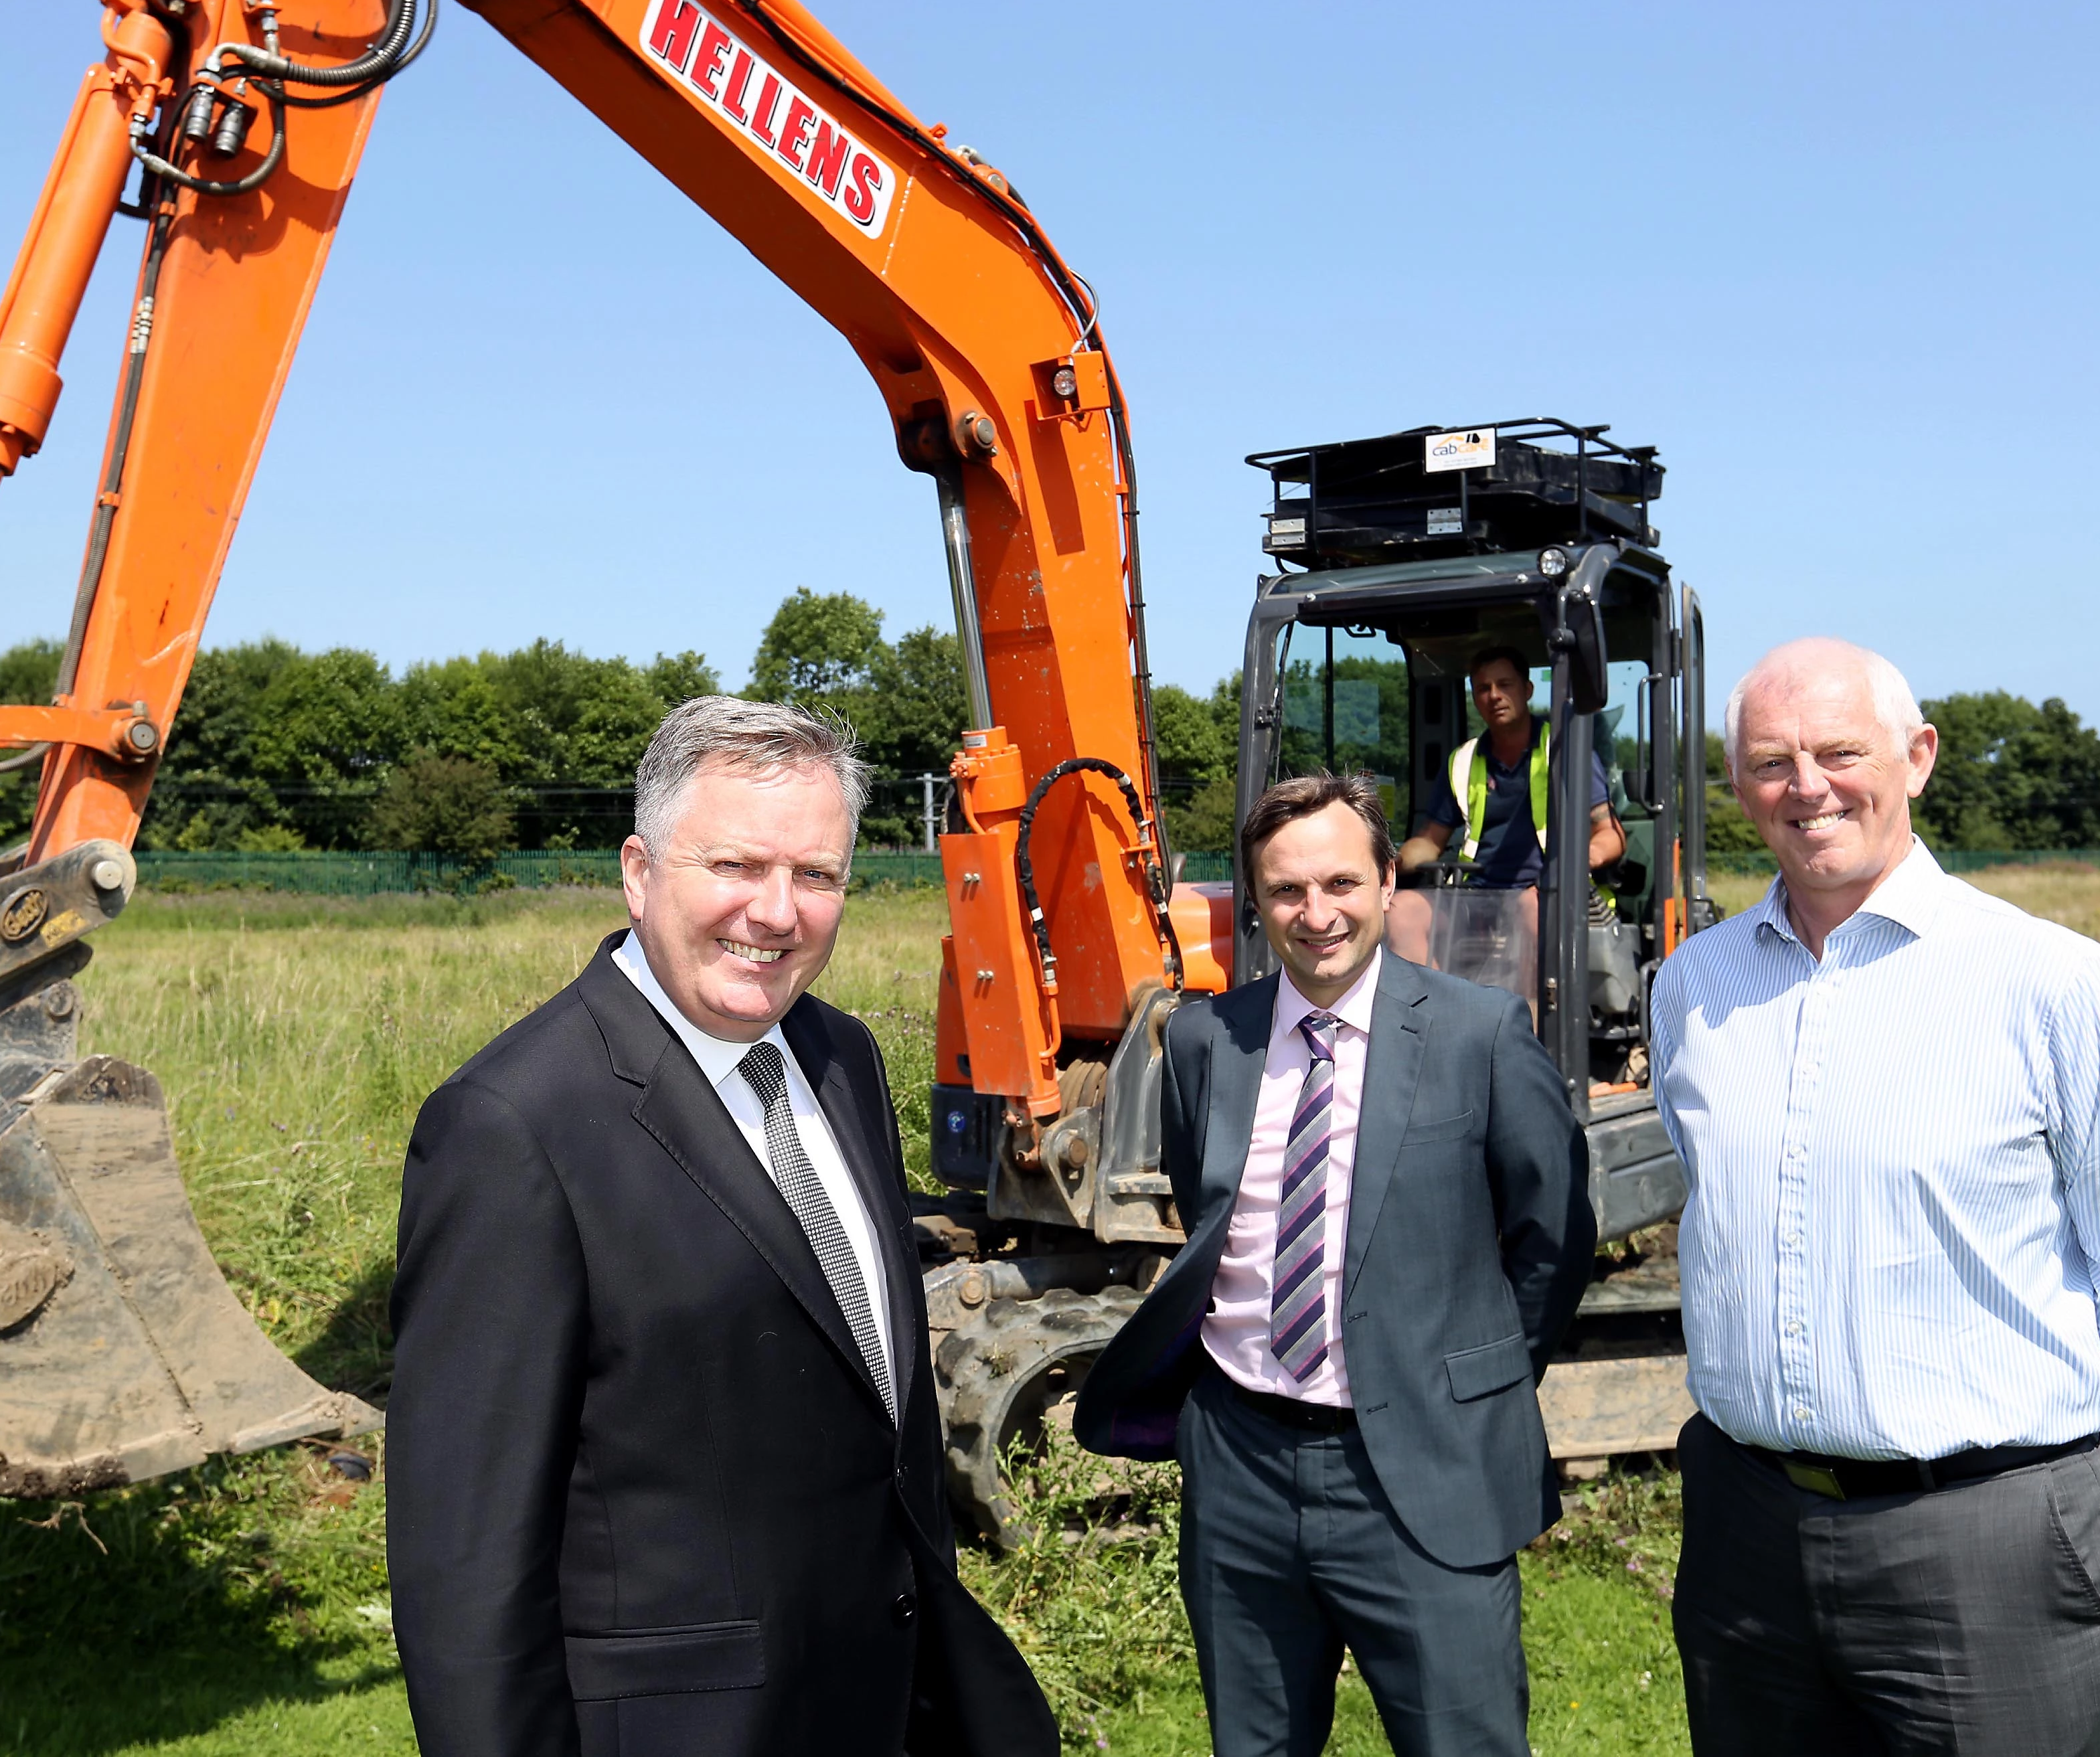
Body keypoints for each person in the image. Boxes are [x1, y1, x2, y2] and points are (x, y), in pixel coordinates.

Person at [386, 696, 1055, 1757]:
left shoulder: (841, 1059)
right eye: (736, 867)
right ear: (640, 872)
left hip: (882, 1701)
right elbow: (465, 1563)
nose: (777, 912)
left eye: (817, 876)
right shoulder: (513, 1125)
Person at [1651, 637, 2100, 1757]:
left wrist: (2071, 1478)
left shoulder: (2045, 979)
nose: (1804, 784)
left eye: (1836, 750)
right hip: (1745, 1533)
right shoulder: (1695, 986)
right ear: (1735, 787)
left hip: (1989, 1540)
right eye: (1769, 759)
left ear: (1913, 758)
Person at [1074, 770, 1596, 1757]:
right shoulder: (1202, 1039)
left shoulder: (1477, 1034)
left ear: (1386, 881)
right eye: (1285, 891)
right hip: (1239, 1465)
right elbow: (1210, 1214)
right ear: (1256, 900)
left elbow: (1552, 1235)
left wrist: (1462, 1383)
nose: (1315, 914)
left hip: (1421, 1467)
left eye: (1340, 884)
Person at [1386, 645, 1626, 983]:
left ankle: (1529, 1024)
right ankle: (1438, 1019)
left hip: (1546, 893)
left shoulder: (1567, 752)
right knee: (1400, 912)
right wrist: (1390, 865)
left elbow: (1611, 834)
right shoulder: (1463, 760)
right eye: (1483, 688)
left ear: (1527, 690)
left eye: (1505, 684)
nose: (1494, 696)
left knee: (1531, 910)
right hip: (1475, 898)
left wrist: (1576, 862)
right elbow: (1430, 841)